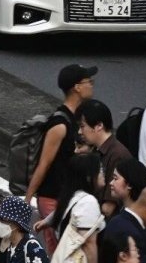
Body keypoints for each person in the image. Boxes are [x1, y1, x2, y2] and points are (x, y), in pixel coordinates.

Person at [25, 64, 96, 245]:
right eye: (89, 81)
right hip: (52, 197)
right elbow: (44, 164)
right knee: (60, 252)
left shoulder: (78, 118)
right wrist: (27, 199)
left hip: (70, 196)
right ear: (77, 87)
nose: (92, 85)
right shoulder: (60, 124)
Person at [77, 100, 135, 199]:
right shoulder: (95, 150)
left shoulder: (117, 155)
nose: (79, 132)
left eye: (82, 126)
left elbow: (109, 207)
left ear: (99, 126)